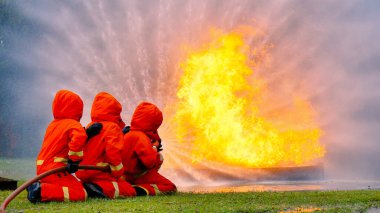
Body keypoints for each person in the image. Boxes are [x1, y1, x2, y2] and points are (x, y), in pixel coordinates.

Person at [27, 90, 101, 203]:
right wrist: (74, 160)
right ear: (77, 109)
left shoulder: (52, 125)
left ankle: (40, 185)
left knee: (66, 185)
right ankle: (40, 191)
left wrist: (87, 133)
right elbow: (78, 138)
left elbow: (64, 140)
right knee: (80, 193)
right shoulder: (73, 124)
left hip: (42, 168)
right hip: (56, 169)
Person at [76, 92, 136, 198]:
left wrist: (120, 133)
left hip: (82, 172)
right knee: (128, 189)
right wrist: (117, 172)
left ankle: (85, 187)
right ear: (114, 112)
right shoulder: (113, 127)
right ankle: (96, 188)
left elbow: (98, 142)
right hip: (99, 173)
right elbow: (113, 151)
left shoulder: (91, 126)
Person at [121, 102, 177, 196]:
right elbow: (149, 161)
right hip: (139, 176)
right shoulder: (141, 137)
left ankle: (132, 186)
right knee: (170, 187)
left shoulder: (128, 134)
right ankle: (141, 189)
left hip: (124, 176)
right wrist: (154, 147)